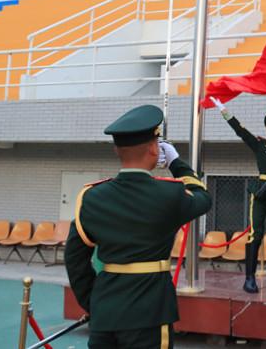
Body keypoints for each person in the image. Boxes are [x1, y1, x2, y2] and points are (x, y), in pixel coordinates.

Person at [65, 104, 212, 348]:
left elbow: (74, 258)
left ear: (116, 150)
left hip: (106, 310)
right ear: (154, 149)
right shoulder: (170, 194)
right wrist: (176, 162)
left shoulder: (91, 197)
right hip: (150, 312)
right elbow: (203, 197)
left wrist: (94, 302)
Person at [210, 97, 266, 294]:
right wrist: (224, 111)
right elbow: (241, 131)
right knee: (255, 234)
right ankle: (250, 278)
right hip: (261, 192)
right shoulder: (261, 144)